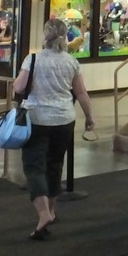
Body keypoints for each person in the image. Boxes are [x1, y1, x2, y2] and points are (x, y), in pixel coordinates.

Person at [14, 18, 95, 240]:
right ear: (65, 36)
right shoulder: (71, 61)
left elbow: (19, 86)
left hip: (37, 120)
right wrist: (89, 118)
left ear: (45, 36)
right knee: (55, 165)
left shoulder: (33, 59)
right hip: (64, 120)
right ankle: (51, 210)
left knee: (34, 166)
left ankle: (43, 214)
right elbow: (81, 93)